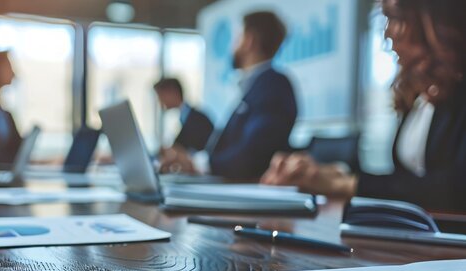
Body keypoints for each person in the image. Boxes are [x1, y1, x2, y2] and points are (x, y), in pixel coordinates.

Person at [261, 0, 466, 211]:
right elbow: (406, 182)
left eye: (395, 19)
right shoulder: (420, 95)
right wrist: (332, 174)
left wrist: (348, 184)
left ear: (434, 22)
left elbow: (455, 189)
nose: (387, 34)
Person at [161, 11, 297, 179]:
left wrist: (198, 164)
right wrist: (194, 161)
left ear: (249, 41)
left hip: (247, 191)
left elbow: (251, 156)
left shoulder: (274, 86)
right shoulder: (258, 87)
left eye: (238, 37)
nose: (233, 45)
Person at [154, 78, 213, 152]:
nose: (160, 101)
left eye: (161, 96)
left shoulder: (198, 119)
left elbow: (193, 148)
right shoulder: (187, 117)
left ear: (172, 92)